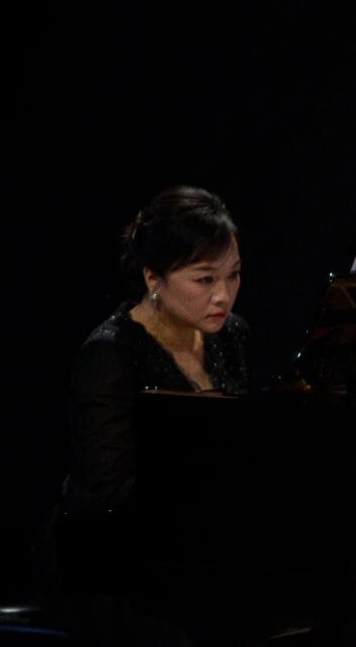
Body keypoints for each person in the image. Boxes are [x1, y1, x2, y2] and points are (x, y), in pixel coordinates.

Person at [63, 185, 248, 513]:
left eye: (233, 275)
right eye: (205, 279)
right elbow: (106, 494)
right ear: (153, 279)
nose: (223, 295)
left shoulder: (231, 334)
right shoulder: (110, 355)